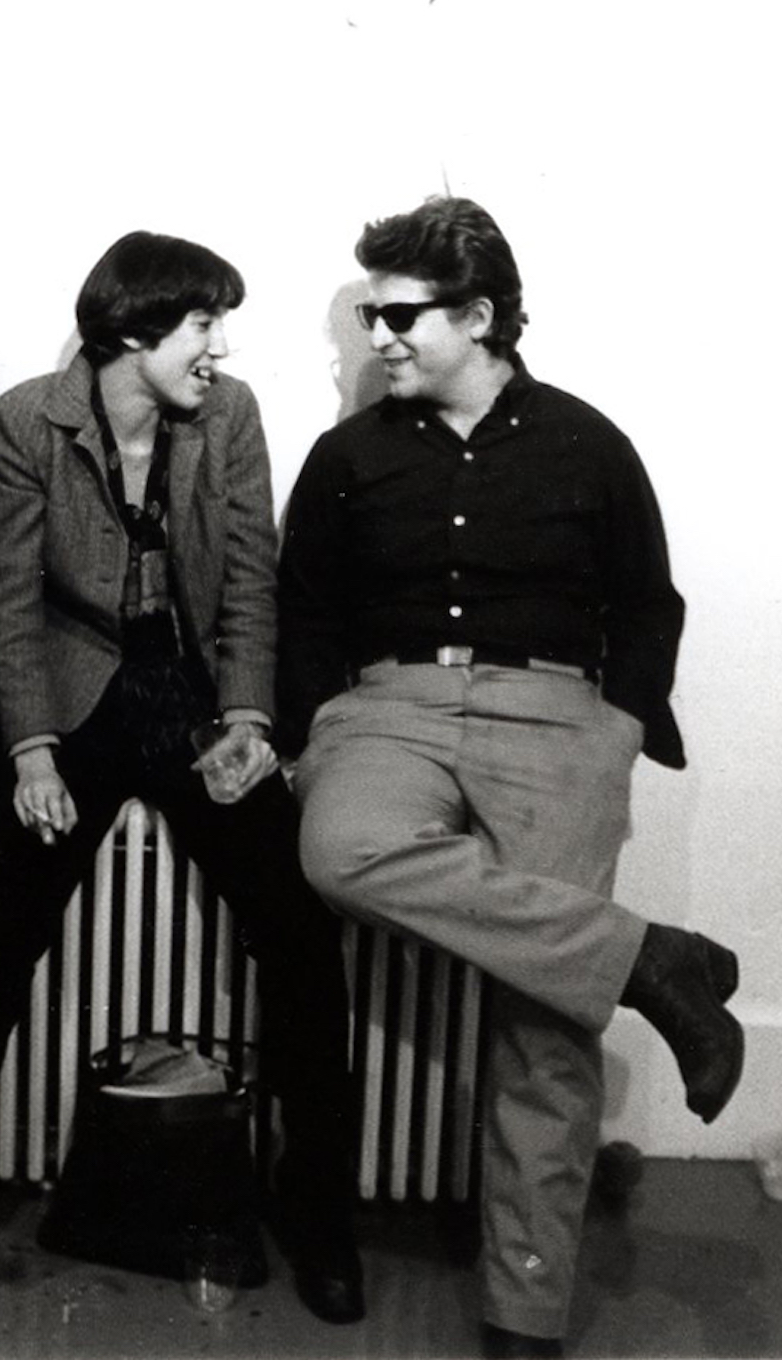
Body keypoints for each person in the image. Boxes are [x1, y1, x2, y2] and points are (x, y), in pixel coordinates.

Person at [0, 232, 364, 1343]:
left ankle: (323, 1224)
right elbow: (7, 601)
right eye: (203, 325)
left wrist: (248, 722)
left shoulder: (228, 417)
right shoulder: (23, 421)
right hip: (72, 697)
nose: (219, 349)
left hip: (190, 696)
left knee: (299, 930)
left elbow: (250, 582)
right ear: (135, 331)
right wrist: (32, 753)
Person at [278, 196, 743, 1359]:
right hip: (389, 710)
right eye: (370, 317)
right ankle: (646, 959)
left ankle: (523, 1316)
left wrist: (615, 731)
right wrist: (309, 733)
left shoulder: (589, 444)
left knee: (545, 1019)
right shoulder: (348, 458)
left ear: (479, 317)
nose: (376, 338)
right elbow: (305, 611)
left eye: (399, 316)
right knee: (339, 849)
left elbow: (647, 604)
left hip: (556, 716)